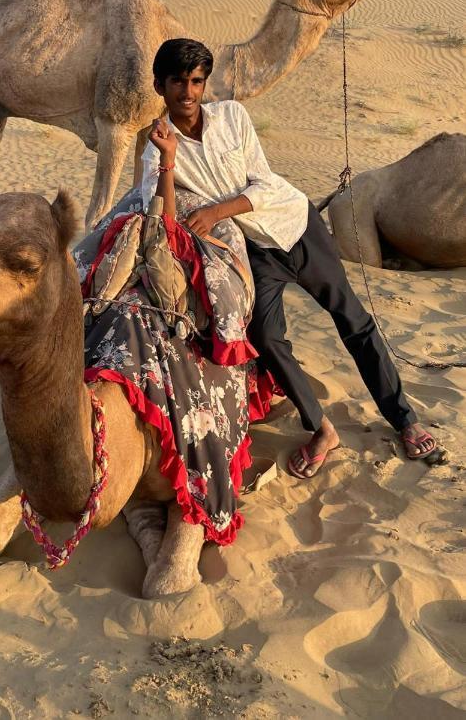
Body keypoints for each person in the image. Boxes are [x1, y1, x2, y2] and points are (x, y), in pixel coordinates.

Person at [142, 37, 437, 478]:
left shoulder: (232, 116)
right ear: (159, 86)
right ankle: (320, 427)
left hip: (296, 225)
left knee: (352, 320)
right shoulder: (156, 146)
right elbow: (164, 215)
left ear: (204, 83)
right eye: (178, 82)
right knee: (268, 338)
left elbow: (263, 182)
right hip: (253, 252)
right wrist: (168, 160)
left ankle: (405, 420)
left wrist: (216, 210)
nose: (188, 92)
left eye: (196, 81)